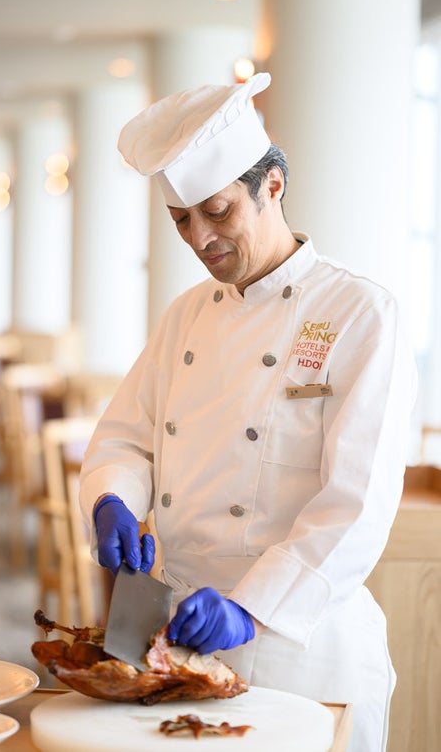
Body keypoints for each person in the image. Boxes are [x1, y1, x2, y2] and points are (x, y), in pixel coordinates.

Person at [79, 72, 417, 752]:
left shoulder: (361, 314)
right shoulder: (185, 316)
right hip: (180, 641)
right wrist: (112, 499)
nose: (200, 238)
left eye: (217, 211)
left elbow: (355, 504)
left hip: (305, 652)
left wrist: (252, 607)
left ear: (273, 186)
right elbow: (127, 438)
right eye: (181, 220)